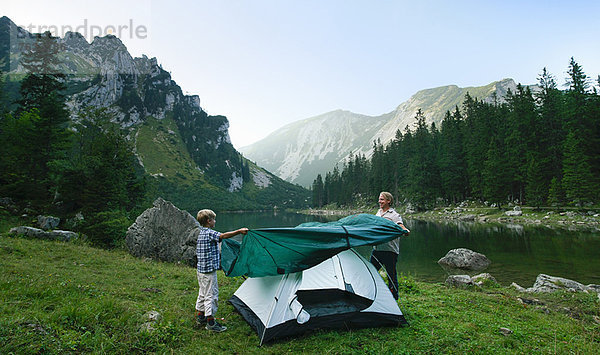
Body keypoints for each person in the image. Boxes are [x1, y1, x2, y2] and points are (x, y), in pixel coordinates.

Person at [195, 209, 248, 332]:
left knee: (203, 293)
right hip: (208, 271)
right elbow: (222, 236)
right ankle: (211, 323)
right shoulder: (209, 232)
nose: (215, 221)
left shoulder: (201, 232)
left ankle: (200, 316)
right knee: (211, 295)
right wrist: (239, 231)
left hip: (201, 271)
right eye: (213, 219)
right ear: (209, 221)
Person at [370, 191, 410, 300]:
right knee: (370, 271)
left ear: (389, 201)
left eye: (382, 199)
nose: (379, 201)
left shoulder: (394, 215)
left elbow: (400, 225)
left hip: (390, 251)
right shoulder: (378, 213)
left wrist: (405, 230)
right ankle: (371, 293)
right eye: (379, 199)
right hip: (377, 249)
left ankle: (394, 298)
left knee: (391, 275)